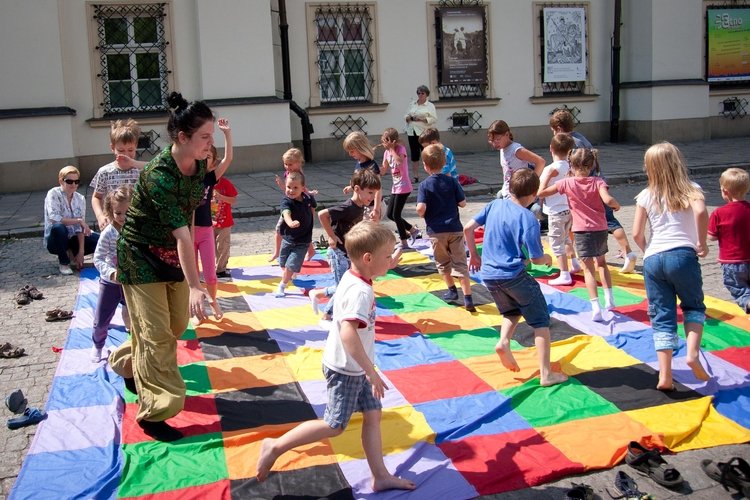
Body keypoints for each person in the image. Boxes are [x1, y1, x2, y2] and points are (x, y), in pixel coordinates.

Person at [256, 221, 416, 493]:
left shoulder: (355, 276)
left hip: (352, 365)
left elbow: (369, 275)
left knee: (373, 413)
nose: (390, 260)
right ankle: (275, 446)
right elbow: (347, 333)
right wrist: (371, 370)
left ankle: (380, 475)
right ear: (368, 258)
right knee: (334, 425)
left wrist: (389, 261)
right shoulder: (361, 291)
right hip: (347, 368)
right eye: (387, 256)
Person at [107, 91, 222, 442]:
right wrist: (198, 285)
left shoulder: (199, 164)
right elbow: (185, 237)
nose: (209, 143)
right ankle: (155, 412)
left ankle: (124, 362)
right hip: (141, 256)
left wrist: (191, 278)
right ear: (182, 137)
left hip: (172, 256)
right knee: (157, 336)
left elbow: (187, 220)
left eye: (212, 136)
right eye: (205, 137)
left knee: (173, 325)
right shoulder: (159, 175)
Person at [464, 169, 568, 387]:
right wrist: (548, 258)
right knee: (541, 322)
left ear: (510, 188)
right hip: (514, 275)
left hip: (490, 276)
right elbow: (538, 259)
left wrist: (474, 254)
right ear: (533, 195)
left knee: (512, 310)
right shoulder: (528, 218)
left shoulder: (495, 205)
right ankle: (546, 373)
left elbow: (468, 228)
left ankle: (503, 341)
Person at [632, 142, 711, 390]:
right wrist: (701, 241)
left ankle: (665, 375)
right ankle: (692, 354)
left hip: (654, 259)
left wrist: (649, 252)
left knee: (662, 315)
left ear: (649, 168)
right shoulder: (691, 189)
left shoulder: (645, 195)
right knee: (693, 305)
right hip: (683, 256)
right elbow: (700, 212)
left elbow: (636, 233)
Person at [549, 109, 637, 273]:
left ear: (559, 128)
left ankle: (628, 252)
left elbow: (576, 166)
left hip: (589, 186)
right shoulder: (580, 137)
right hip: (596, 182)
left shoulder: (571, 143)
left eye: (554, 130)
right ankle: (576, 255)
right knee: (590, 220)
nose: (554, 133)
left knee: (608, 221)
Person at [538, 148, 621, 322]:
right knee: (602, 263)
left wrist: (544, 178)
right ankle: (610, 299)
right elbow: (607, 199)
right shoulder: (598, 181)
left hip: (582, 231)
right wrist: (616, 205)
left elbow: (541, 193)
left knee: (588, 270)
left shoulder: (566, 183)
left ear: (571, 164)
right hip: (600, 228)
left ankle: (595, 307)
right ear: (591, 165)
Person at [309, 169, 381, 322]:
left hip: (347, 252)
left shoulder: (360, 206)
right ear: (357, 189)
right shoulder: (348, 207)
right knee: (344, 287)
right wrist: (331, 235)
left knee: (347, 285)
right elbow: (323, 214)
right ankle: (327, 316)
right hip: (338, 253)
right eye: (369, 193)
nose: (372, 197)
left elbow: (354, 226)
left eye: (374, 194)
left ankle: (318, 294)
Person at [416, 144, 475, 312]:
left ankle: (451, 290)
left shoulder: (425, 185)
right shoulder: (452, 181)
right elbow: (463, 203)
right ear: (444, 163)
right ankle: (468, 297)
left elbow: (421, 208)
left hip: (436, 232)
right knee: (460, 263)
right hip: (455, 229)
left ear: (425, 166)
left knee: (443, 262)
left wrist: (421, 212)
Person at [194, 119, 233, 316]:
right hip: (188, 233)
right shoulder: (187, 176)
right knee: (191, 274)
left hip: (206, 231)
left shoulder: (211, 178)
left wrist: (226, 134)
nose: (205, 159)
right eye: (203, 156)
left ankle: (213, 301)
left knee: (210, 273)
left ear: (212, 161)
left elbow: (228, 159)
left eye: (209, 157)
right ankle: (193, 306)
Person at [91, 185, 132, 363]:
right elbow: (98, 258)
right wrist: (111, 273)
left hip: (132, 283)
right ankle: (98, 345)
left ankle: (134, 343)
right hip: (111, 284)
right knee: (102, 318)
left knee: (135, 315)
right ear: (110, 211)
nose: (123, 217)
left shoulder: (136, 229)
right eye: (119, 213)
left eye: (128, 213)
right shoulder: (108, 233)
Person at [538, 133, 581, 286]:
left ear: (551, 149)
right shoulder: (571, 166)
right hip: (569, 209)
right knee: (566, 238)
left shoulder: (551, 169)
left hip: (556, 210)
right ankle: (574, 262)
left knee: (556, 241)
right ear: (570, 151)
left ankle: (564, 273)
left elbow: (540, 191)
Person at [90, 119, 146, 231]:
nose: (126, 154)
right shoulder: (105, 172)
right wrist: (100, 216)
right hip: (113, 223)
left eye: (130, 150)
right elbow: (96, 197)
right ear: (112, 148)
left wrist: (134, 163)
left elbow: (155, 166)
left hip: (136, 223)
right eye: (121, 150)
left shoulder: (140, 170)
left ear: (136, 146)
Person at [708, 168, 750, 315]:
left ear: (725, 192)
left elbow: (711, 236)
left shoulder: (718, 213)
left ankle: (748, 302)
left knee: (738, 288)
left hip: (731, 261)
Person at [44, 165, 100, 275]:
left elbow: (80, 228)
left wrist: (81, 251)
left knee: (100, 239)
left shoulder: (80, 198)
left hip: (72, 238)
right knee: (58, 227)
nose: (73, 184)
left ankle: (72, 254)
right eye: (69, 181)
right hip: (56, 239)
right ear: (61, 180)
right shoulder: (53, 193)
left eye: (76, 181)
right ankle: (64, 262)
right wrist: (78, 220)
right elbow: (54, 218)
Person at [269, 148, 317, 262]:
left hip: (300, 206)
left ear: (299, 163)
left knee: (303, 230)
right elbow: (288, 191)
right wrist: (282, 185)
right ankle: (277, 252)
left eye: (290, 164)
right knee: (280, 229)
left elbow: (302, 189)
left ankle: (310, 251)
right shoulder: (288, 173)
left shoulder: (298, 175)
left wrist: (309, 193)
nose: (287, 167)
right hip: (290, 205)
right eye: (285, 164)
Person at [275, 171, 317, 298]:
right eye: (288, 187)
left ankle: (282, 285)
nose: (291, 190)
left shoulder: (308, 199)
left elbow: (313, 207)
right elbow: (286, 213)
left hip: (303, 241)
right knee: (283, 263)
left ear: (303, 189)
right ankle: (289, 272)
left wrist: (311, 220)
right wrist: (290, 222)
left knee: (290, 264)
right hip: (288, 239)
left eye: (295, 188)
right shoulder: (286, 201)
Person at [381, 127, 421, 247]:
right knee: (389, 214)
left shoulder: (400, 149)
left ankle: (404, 242)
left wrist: (392, 149)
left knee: (396, 215)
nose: (383, 144)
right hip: (395, 187)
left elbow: (399, 162)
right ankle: (413, 230)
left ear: (392, 141)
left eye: (385, 141)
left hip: (404, 187)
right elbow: (383, 170)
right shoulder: (386, 153)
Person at [487, 120, 545, 199]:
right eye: (492, 141)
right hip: (507, 190)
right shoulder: (502, 148)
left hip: (519, 193)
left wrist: (531, 183)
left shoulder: (516, 150)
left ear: (507, 134)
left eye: (497, 139)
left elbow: (540, 162)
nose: (494, 144)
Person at [343, 131, 382, 222]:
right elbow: (362, 182)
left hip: (372, 206)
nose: (350, 154)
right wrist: (351, 187)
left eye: (352, 151)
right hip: (364, 205)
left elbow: (378, 189)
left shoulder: (371, 166)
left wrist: (376, 209)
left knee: (369, 233)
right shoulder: (359, 163)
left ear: (360, 148)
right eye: (348, 151)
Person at [404, 85, 437, 183]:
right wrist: (407, 117)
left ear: (426, 94)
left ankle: (432, 174)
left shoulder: (430, 106)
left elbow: (434, 119)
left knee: (426, 153)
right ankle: (415, 176)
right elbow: (406, 114)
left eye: (422, 93)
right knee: (414, 154)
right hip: (412, 131)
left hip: (423, 133)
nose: (420, 95)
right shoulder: (413, 104)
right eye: (418, 93)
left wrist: (421, 119)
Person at [213, 175, 238, 279]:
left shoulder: (225, 183)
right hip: (208, 223)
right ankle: (213, 267)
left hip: (224, 222)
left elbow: (233, 200)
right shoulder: (203, 183)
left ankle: (220, 269)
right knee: (212, 247)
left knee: (223, 246)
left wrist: (221, 197)